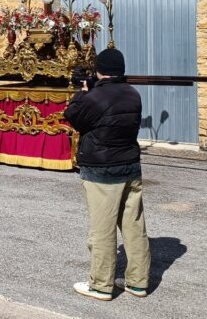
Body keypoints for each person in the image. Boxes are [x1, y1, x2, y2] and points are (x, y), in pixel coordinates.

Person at [64, 48, 151, 301]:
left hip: (102, 170)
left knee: (102, 230)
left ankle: (101, 284)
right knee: (134, 225)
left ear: (99, 70)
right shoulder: (133, 94)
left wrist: (81, 92)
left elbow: (73, 117)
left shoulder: (94, 97)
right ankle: (138, 282)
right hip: (130, 166)